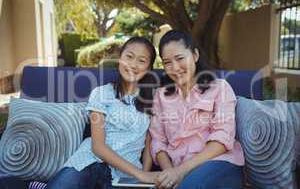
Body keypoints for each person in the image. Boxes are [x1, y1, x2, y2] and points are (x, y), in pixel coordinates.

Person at [46, 37, 160, 189]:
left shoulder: (153, 99)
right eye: (129, 56)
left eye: (141, 60)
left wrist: (144, 175)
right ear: (120, 58)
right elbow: (98, 146)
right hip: (90, 162)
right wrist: (141, 174)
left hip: (125, 175)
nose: (133, 64)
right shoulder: (102, 93)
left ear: (149, 67)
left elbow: (149, 143)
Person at [149, 30, 245, 189]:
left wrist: (181, 171)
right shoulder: (161, 96)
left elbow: (222, 138)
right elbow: (157, 140)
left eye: (180, 58)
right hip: (178, 168)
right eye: (167, 62)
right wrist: (169, 173)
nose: (175, 68)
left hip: (218, 163)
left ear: (195, 55)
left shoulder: (220, 88)